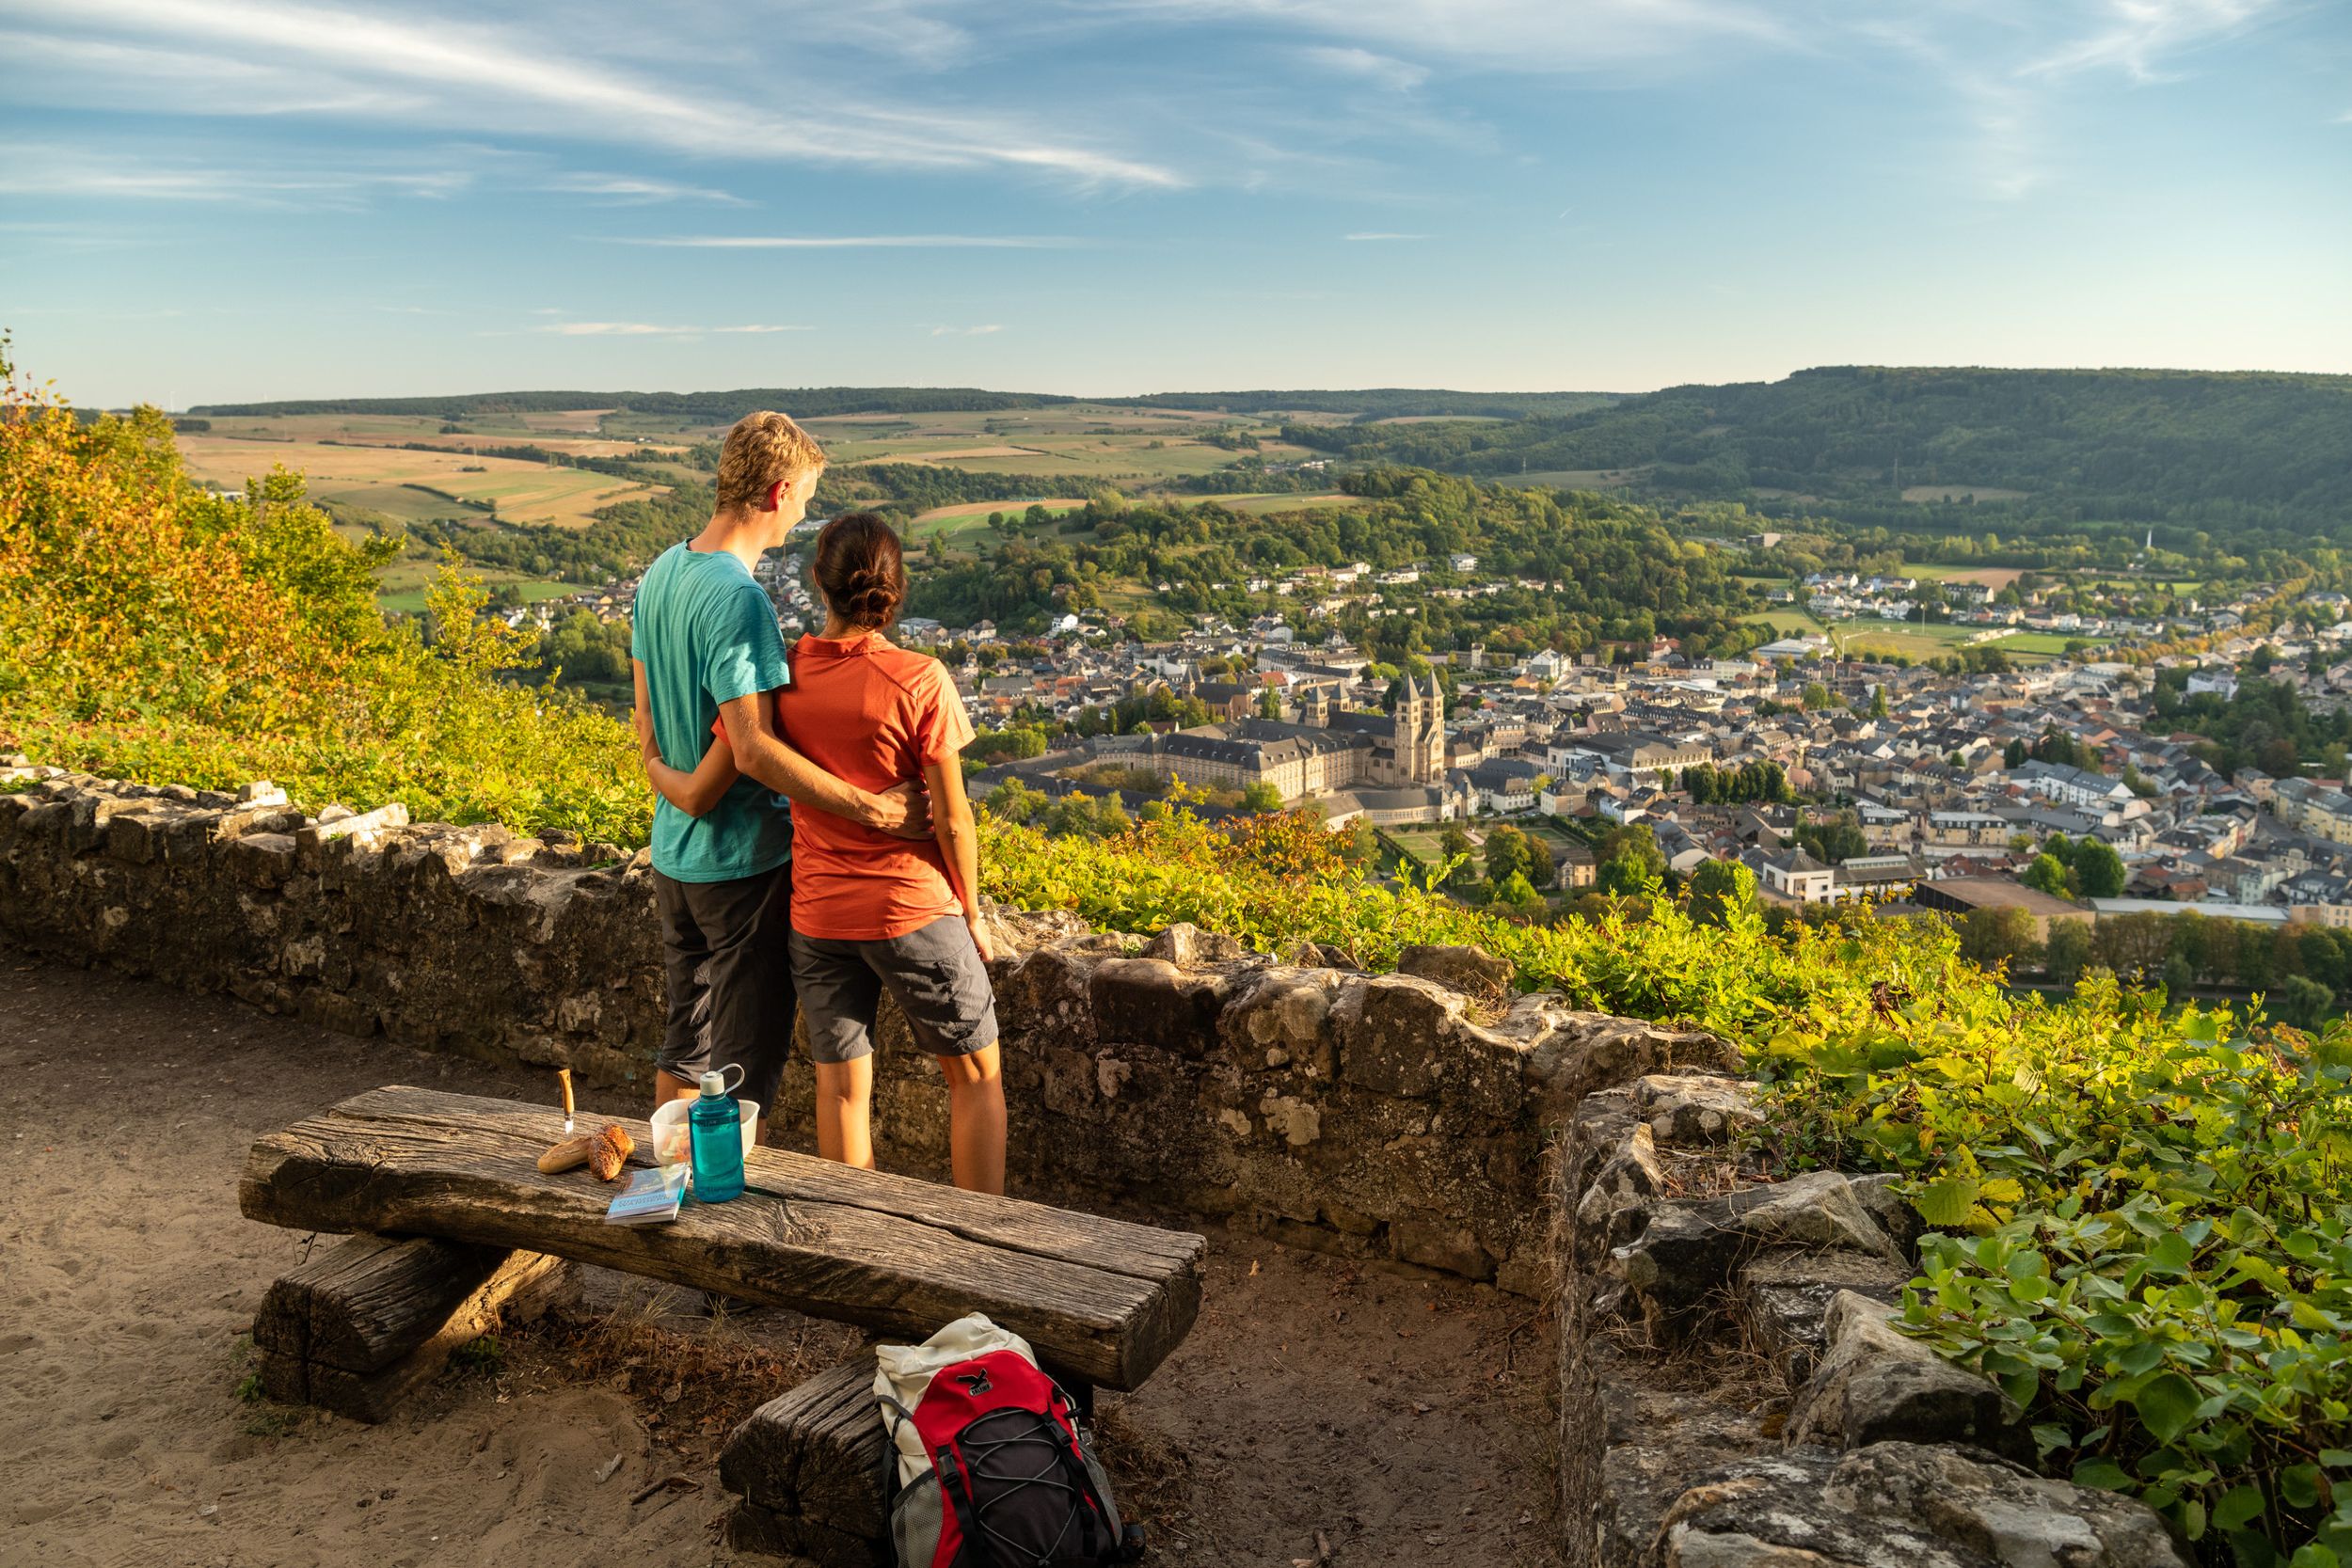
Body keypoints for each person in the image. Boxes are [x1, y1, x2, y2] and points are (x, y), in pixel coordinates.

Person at [648, 512, 1006, 1194]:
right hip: (910, 908)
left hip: (816, 917)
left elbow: (745, 750)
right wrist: (975, 909)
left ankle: (852, 1236)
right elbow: (953, 818)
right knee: (977, 1073)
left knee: (842, 1090)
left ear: (819, 580)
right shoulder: (920, 679)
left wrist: (656, 763)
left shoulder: (781, 676)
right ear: (896, 592)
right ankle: (977, 1240)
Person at [629, 413, 929, 1142]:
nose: (803, 515)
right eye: (804, 498)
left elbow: (646, 730)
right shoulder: (739, 599)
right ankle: (718, 1218)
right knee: (735, 1071)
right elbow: (754, 748)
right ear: (779, 488)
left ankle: (662, 1181)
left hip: (674, 854)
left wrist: (667, 778)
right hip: (738, 863)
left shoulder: (662, 572)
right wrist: (876, 810)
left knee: (682, 1044)